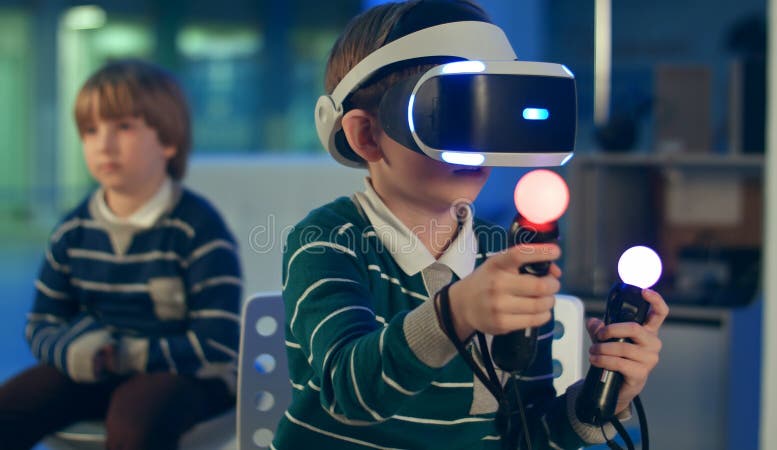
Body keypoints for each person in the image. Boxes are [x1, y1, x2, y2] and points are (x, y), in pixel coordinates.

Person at [276, 1, 668, 449]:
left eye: (490, 112)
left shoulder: (508, 257)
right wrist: (456, 312)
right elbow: (350, 392)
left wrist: (603, 397)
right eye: (455, 116)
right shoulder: (327, 242)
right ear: (366, 135)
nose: (479, 143)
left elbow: (526, 433)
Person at [0, 59, 242, 450]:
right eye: (91, 131)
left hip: (189, 376)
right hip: (95, 367)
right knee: (8, 407)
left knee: (135, 423)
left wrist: (125, 356)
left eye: (124, 127)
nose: (104, 144)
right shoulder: (73, 231)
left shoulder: (198, 229)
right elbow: (41, 324)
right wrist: (73, 351)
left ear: (167, 140)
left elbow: (217, 342)